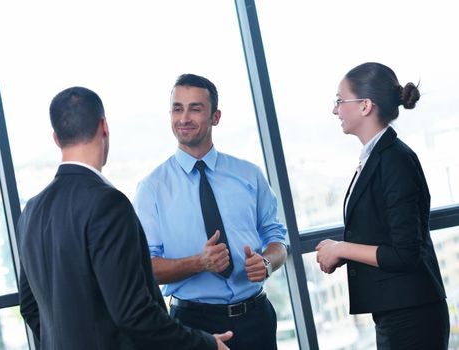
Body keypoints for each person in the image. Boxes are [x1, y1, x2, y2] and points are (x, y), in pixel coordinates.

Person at [17, 86, 232, 349]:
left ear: (56, 138)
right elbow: (134, 313)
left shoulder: (31, 211)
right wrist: (206, 344)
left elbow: (29, 306)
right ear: (104, 126)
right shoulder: (108, 203)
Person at [133, 74, 288, 350]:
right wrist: (199, 263)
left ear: (215, 117)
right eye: (177, 108)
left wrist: (266, 263)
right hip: (193, 327)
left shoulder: (249, 175)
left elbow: (277, 239)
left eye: (195, 108)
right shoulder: (152, 189)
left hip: (257, 318)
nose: (184, 117)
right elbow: (146, 268)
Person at [315, 62, 449, 349]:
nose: (334, 110)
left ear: (365, 106)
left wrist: (341, 249)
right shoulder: (377, 156)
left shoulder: (395, 160)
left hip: (413, 315)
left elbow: (405, 254)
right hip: (396, 312)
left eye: (340, 101)